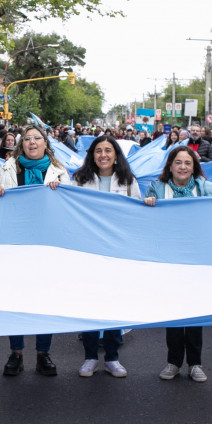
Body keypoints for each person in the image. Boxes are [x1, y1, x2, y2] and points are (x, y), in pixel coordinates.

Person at [0, 125, 71, 377]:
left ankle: (43, 353)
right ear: (21, 144)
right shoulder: (7, 169)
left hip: (47, 245)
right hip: (16, 244)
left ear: (45, 143)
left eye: (37, 138)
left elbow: (69, 209)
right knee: (15, 299)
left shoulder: (59, 172)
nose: (32, 142)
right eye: (27, 139)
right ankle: (16, 353)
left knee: (44, 300)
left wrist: (60, 195)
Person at [144, 146, 212, 382]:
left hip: (197, 261)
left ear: (194, 167)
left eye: (187, 163)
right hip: (168, 260)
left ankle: (195, 363)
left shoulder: (207, 189)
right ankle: (173, 362)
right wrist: (148, 204)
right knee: (173, 312)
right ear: (170, 166)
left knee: (195, 312)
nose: (182, 167)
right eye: (178, 163)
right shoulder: (157, 188)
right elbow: (146, 221)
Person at [72, 135, 144, 377]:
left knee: (114, 303)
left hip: (117, 252)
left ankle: (112, 357)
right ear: (92, 154)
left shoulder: (128, 180)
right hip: (89, 251)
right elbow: (69, 210)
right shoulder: (79, 179)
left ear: (116, 155)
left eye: (108, 150)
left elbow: (137, 213)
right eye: (98, 150)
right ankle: (90, 357)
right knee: (91, 304)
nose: (103, 155)